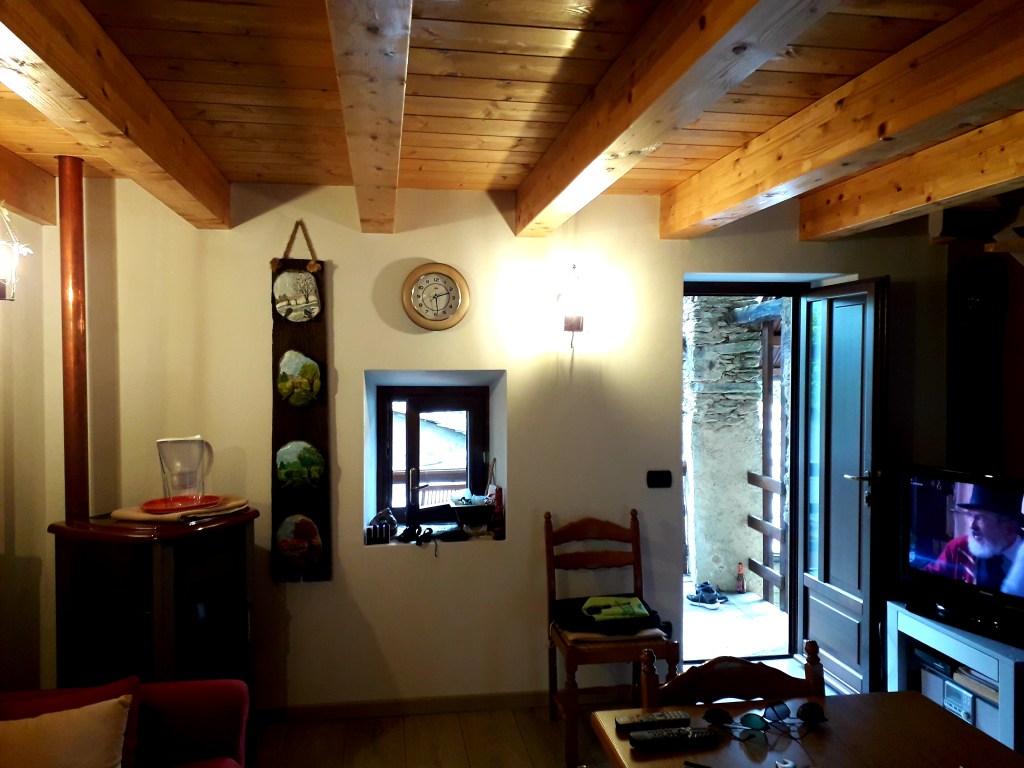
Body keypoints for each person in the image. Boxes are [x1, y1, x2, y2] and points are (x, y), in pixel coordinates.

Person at [924, 485, 1024, 592]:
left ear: (1009, 528)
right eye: (970, 515)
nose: (972, 526)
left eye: (981, 518)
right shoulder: (958, 548)